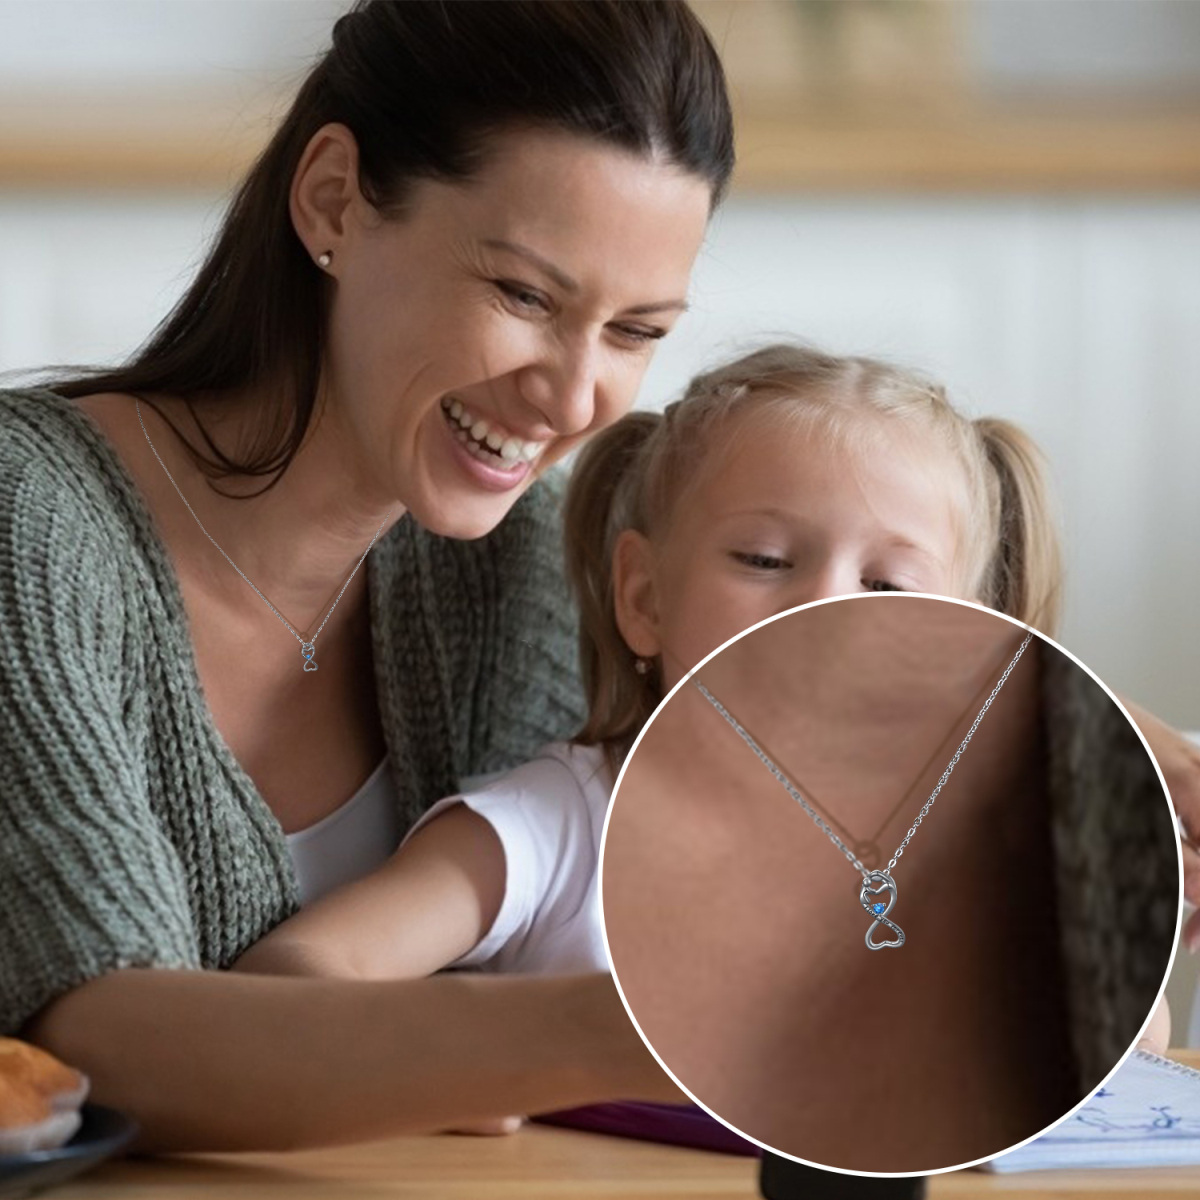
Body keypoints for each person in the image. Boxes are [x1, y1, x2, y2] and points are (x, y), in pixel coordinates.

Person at [0, 0, 733, 1153]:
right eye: (526, 297)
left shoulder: (515, 573)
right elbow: (104, 1044)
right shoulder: (26, 522)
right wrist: (651, 1022)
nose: (574, 394)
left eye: (635, 332)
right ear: (333, 198)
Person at [227, 343, 1177, 1155]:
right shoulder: (562, 823)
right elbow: (292, 981)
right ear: (643, 596)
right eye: (765, 560)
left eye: (890, 585)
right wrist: (450, 1067)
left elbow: (1126, 1047)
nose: (827, 609)